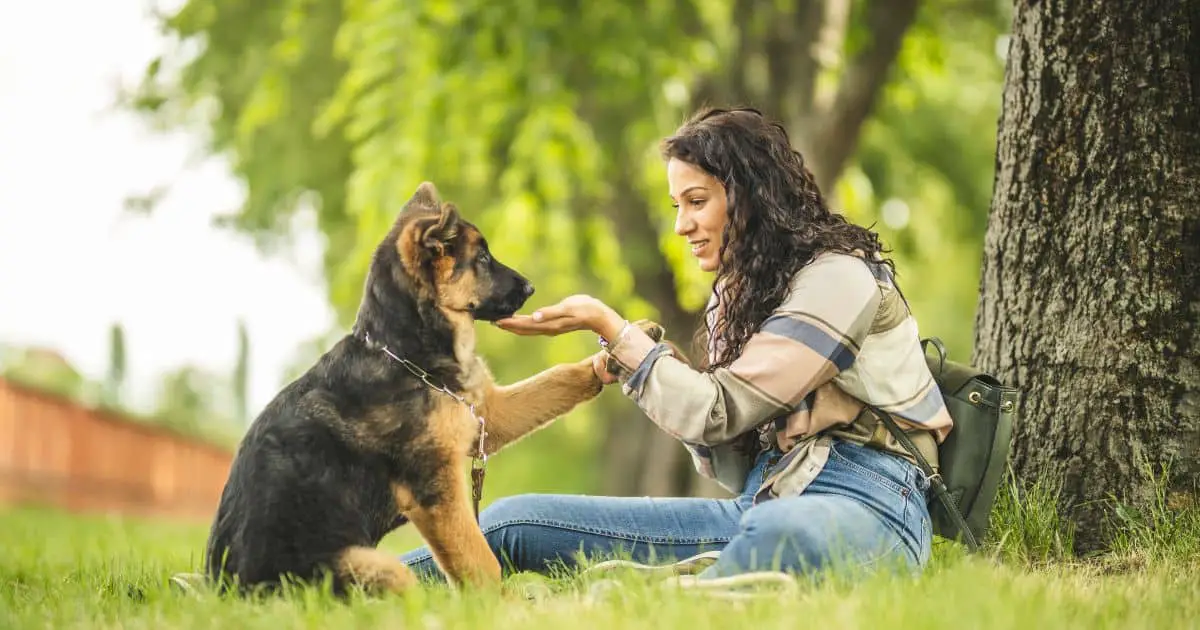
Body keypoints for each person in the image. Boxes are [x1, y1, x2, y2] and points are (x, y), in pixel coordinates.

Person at [399, 107, 954, 590]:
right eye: (676, 207)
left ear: (750, 195)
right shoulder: (735, 301)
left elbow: (716, 411)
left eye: (696, 201)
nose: (683, 225)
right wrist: (645, 365)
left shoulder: (840, 280)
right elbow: (732, 462)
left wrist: (614, 329)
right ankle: (336, 578)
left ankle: (683, 587)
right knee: (511, 522)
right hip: (763, 501)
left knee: (782, 535)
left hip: (873, 504)